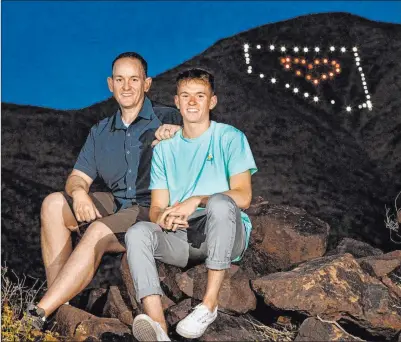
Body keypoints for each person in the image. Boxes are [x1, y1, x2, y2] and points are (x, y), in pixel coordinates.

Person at [26, 52, 182, 329]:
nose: (126, 86)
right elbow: (77, 177)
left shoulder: (169, 116)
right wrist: (79, 193)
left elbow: (206, 141)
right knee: (53, 204)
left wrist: (181, 135)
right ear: (110, 84)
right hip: (119, 204)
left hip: (152, 208)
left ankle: (38, 314)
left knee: (98, 230)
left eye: (134, 79)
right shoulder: (100, 131)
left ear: (147, 84)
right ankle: (61, 305)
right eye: (120, 79)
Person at [125, 68, 257, 341]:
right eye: (186, 96)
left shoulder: (230, 138)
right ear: (177, 102)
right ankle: (158, 327)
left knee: (220, 203)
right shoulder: (163, 149)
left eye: (200, 96)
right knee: (137, 233)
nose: (193, 102)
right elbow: (156, 208)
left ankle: (208, 305)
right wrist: (165, 218)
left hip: (226, 232)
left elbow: (243, 196)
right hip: (183, 237)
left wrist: (196, 200)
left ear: (212, 101)